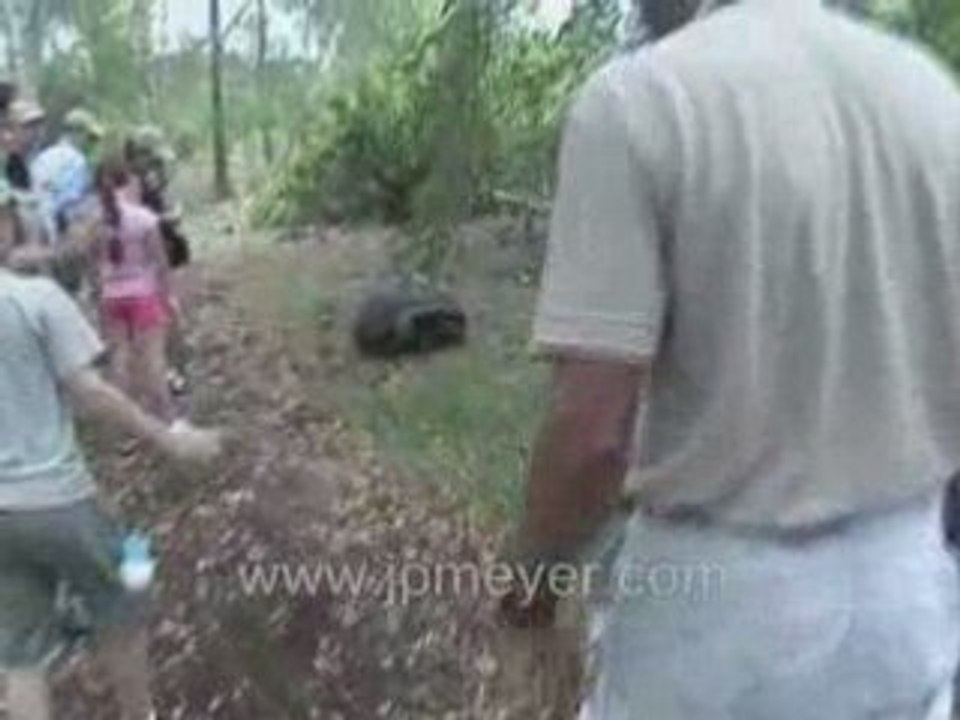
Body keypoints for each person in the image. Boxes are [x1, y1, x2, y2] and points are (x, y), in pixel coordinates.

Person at [504, 1, 960, 718]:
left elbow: (592, 435)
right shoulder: (932, 98)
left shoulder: (641, 101)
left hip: (718, 624)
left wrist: (531, 586)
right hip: (907, 596)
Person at [0, 178, 222, 720]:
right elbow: (91, 394)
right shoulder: (34, 299)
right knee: (127, 591)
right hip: (57, 499)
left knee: (22, 657)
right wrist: (167, 439)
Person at [92, 155, 179, 424]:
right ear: (128, 181)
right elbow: (161, 262)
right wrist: (168, 297)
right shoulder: (144, 218)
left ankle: (123, 422)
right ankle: (166, 418)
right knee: (153, 357)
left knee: (119, 357)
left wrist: (99, 293)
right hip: (143, 294)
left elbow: (94, 263)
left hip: (111, 295)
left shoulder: (94, 222)